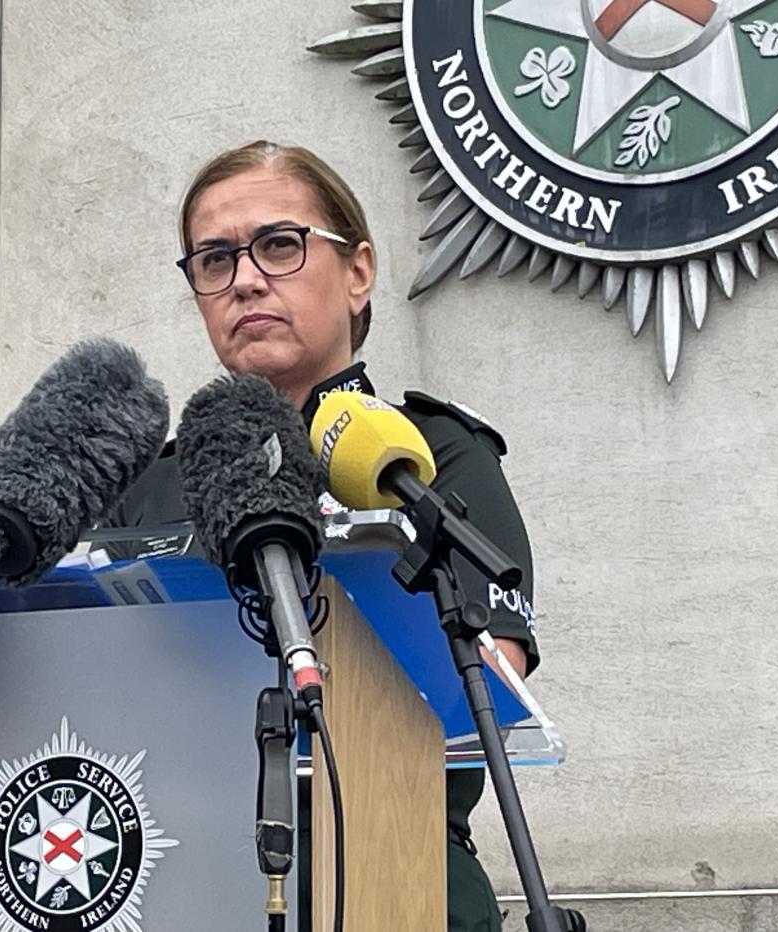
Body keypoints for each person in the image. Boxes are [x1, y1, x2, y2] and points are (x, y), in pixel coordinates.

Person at [109, 140, 539, 931]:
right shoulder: (147, 490)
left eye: (279, 244)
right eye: (214, 259)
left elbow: (485, 679)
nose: (244, 278)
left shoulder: (433, 456)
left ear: (358, 272)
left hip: (391, 858)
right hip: (172, 875)